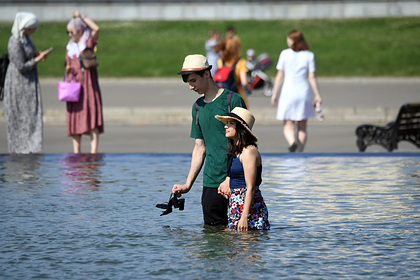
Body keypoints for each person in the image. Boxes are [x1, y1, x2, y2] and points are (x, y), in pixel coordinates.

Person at [172, 54, 246, 226]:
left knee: (241, 239)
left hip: (236, 183)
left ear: (206, 74)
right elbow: (199, 148)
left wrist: (230, 179)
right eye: (188, 83)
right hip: (210, 184)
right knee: (212, 241)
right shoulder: (198, 107)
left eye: (193, 81)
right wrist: (187, 184)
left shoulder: (233, 100)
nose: (191, 87)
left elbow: (244, 144)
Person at [3, 12, 51, 154]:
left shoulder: (26, 38)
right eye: (32, 28)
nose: (34, 31)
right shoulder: (14, 41)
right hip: (18, 83)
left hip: (30, 82)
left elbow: (27, 55)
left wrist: (36, 55)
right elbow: (21, 66)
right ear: (25, 27)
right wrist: (38, 59)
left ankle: (32, 147)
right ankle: (20, 149)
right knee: (20, 116)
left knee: (31, 115)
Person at [216, 107, 270, 231]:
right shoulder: (236, 151)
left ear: (240, 128)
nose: (226, 126)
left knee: (247, 247)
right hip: (236, 204)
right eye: (227, 123)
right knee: (235, 247)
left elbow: (250, 187)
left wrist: (244, 216)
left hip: (249, 208)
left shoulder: (248, 151)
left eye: (231, 123)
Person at [270, 29, 322, 152]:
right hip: (303, 92)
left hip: (288, 91)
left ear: (293, 41)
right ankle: (300, 151)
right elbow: (312, 77)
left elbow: (280, 76)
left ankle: (292, 142)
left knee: (288, 124)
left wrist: (274, 93)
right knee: (302, 126)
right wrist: (317, 95)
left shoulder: (285, 54)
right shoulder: (309, 55)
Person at [65, 10, 104, 154]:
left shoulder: (88, 42)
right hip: (75, 87)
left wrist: (81, 16)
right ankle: (76, 152)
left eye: (72, 32)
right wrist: (69, 68)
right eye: (68, 32)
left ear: (80, 31)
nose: (70, 35)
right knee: (76, 118)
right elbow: (68, 64)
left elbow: (96, 28)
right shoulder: (70, 47)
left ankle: (94, 152)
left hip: (88, 85)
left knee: (91, 116)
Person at [214, 36, 252, 108]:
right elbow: (244, 82)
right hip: (238, 95)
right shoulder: (240, 62)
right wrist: (249, 89)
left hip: (223, 98)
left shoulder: (220, 61)